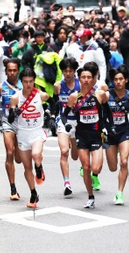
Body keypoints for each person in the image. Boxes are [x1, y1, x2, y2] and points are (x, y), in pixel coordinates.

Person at [62, 61, 111, 209]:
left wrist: (108, 127)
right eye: (83, 77)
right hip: (81, 136)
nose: (86, 80)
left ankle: (94, 174)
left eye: (89, 77)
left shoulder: (100, 94)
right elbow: (64, 115)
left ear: (93, 78)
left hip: (96, 135)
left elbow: (108, 113)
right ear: (79, 79)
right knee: (86, 166)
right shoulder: (74, 97)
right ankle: (90, 196)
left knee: (96, 168)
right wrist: (67, 124)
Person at [8, 67, 50, 209]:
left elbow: (51, 104)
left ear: (34, 81)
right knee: (27, 167)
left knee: (36, 154)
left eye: (31, 81)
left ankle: (39, 167)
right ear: (21, 82)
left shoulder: (41, 95)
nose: (28, 84)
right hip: (22, 133)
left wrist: (49, 115)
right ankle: (33, 193)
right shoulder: (15, 97)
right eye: (25, 81)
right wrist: (14, 112)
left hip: (36, 131)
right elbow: (10, 118)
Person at [104, 66, 129, 205]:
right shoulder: (106, 95)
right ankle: (94, 174)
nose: (118, 82)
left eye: (121, 79)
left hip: (124, 132)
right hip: (110, 134)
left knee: (124, 162)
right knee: (113, 167)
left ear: (126, 80)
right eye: (115, 79)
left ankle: (120, 193)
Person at [0, 58, 23, 201]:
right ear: (6, 71)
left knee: (19, 158)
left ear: (18, 71)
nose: (12, 73)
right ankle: (13, 188)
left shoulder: (25, 85)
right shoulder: (0, 87)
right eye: (9, 70)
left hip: (23, 124)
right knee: (9, 152)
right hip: (8, 123)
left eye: (14, 70)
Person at [54, 57, 79, 197]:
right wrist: (52, 116)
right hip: (63, 121)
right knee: (64, 151)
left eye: (70, 71)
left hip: (79, 123)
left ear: (74, 71)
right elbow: (54, 103)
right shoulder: (58, 86)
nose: (68, 74)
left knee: (75, 156)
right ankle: (67, 183)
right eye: (65, 71)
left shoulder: (81, 85)